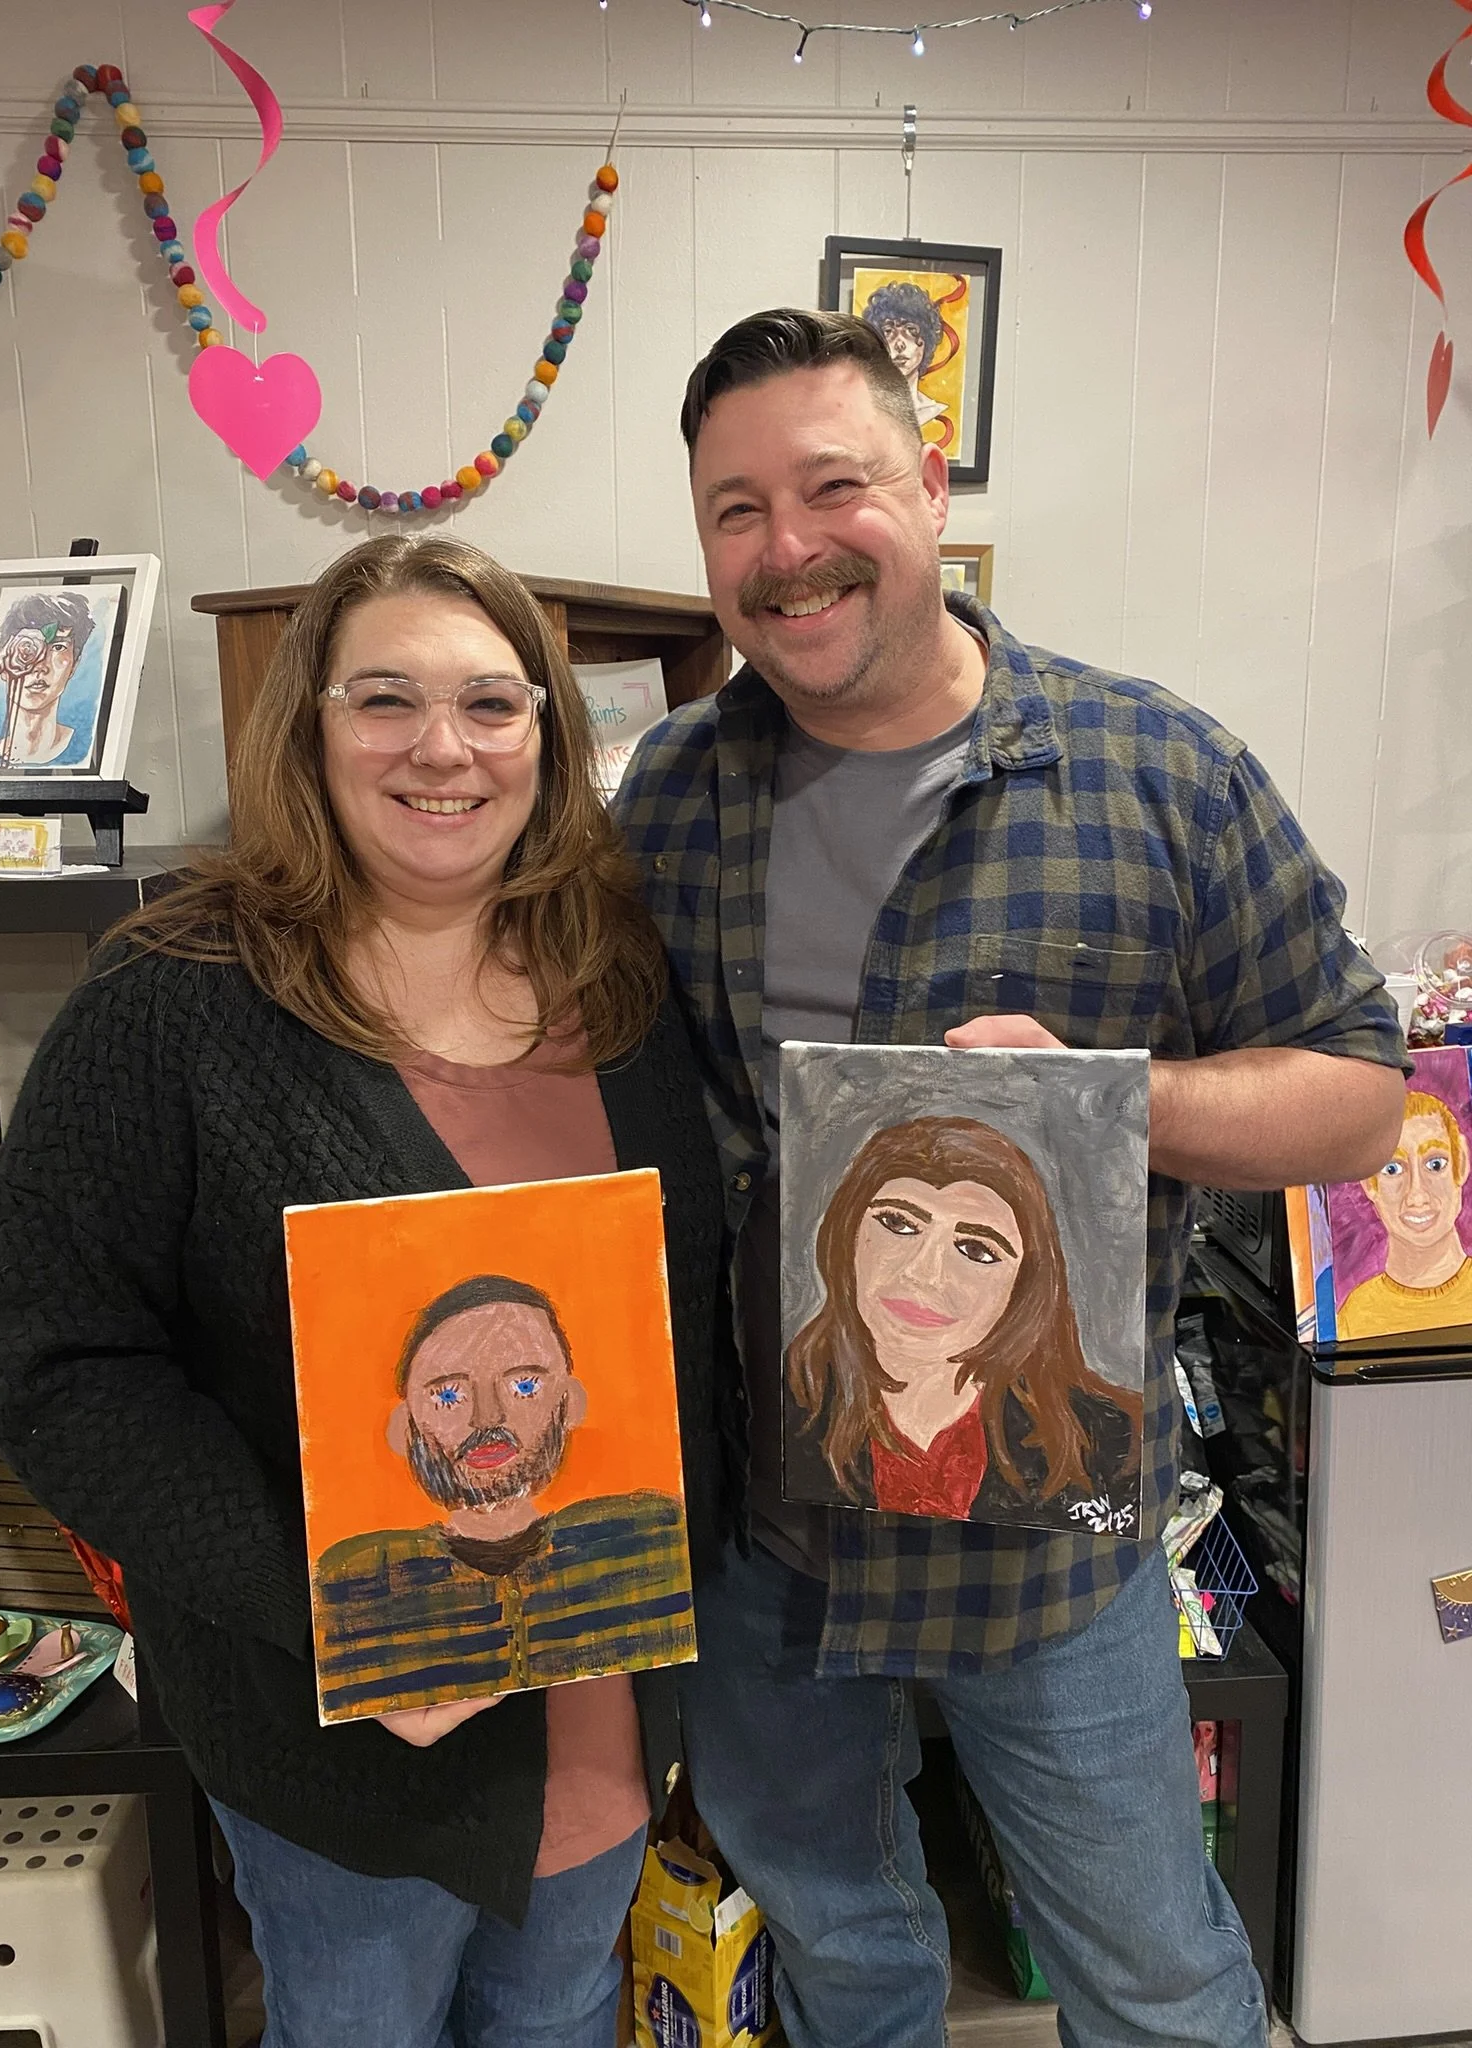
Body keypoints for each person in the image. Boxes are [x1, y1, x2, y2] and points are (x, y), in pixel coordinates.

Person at [611, 307, 1409, 2048]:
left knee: (1150, 1969)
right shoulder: (667, 796)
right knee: (838, 1938)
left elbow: (1361, 1097)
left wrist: (1110, 1104)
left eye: (832, 485)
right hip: (758, 1531)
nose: (787, 546)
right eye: (736, 509)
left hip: (1043, 1538)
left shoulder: (1159, 774)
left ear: (929, 482)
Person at [0, 532, 740, 2048]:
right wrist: (325, 1612)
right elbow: (54, 1364)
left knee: (562, 2013)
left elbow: (674, 1320)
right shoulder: (172, 999)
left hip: (601, 1704)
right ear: (308, 728)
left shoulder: (619, 978)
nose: (443, 747)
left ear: (546, 733)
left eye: (491, 703)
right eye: (385, 699)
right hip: (343, 1745)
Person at [314, 1271, 693, 1717]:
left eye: (524, 1385)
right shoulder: (353, 1582)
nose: (487, 1417)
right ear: (403, 1427)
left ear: (571, 1402)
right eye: (448, 1394)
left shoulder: (651, 1538)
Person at [783, 1115, 1140, 1532]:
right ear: (845, 1234)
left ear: (1024, 1288)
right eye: (898, 1224)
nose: (924, 1274)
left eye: (976, 1250)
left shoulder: (1108, 1438)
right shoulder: (786, 1402)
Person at [1335, 1087, 1472, 1337]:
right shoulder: (1354, 1317)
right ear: (1368, 1182)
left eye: (1435, 1164)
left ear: (1461, 1163)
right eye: (1392, 1169)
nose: (1416, 1196)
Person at [0, 588, 97, 768]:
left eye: (58, 647)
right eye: (28, 647)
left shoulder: (87, 752)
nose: (40, 665)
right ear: (2, 661)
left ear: (74, 664)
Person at [860, 280, 947, 427]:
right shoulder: (862, 411)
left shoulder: (937, 414)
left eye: (910, 331)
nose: (899, 344)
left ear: (926, 340)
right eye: (888, 331)